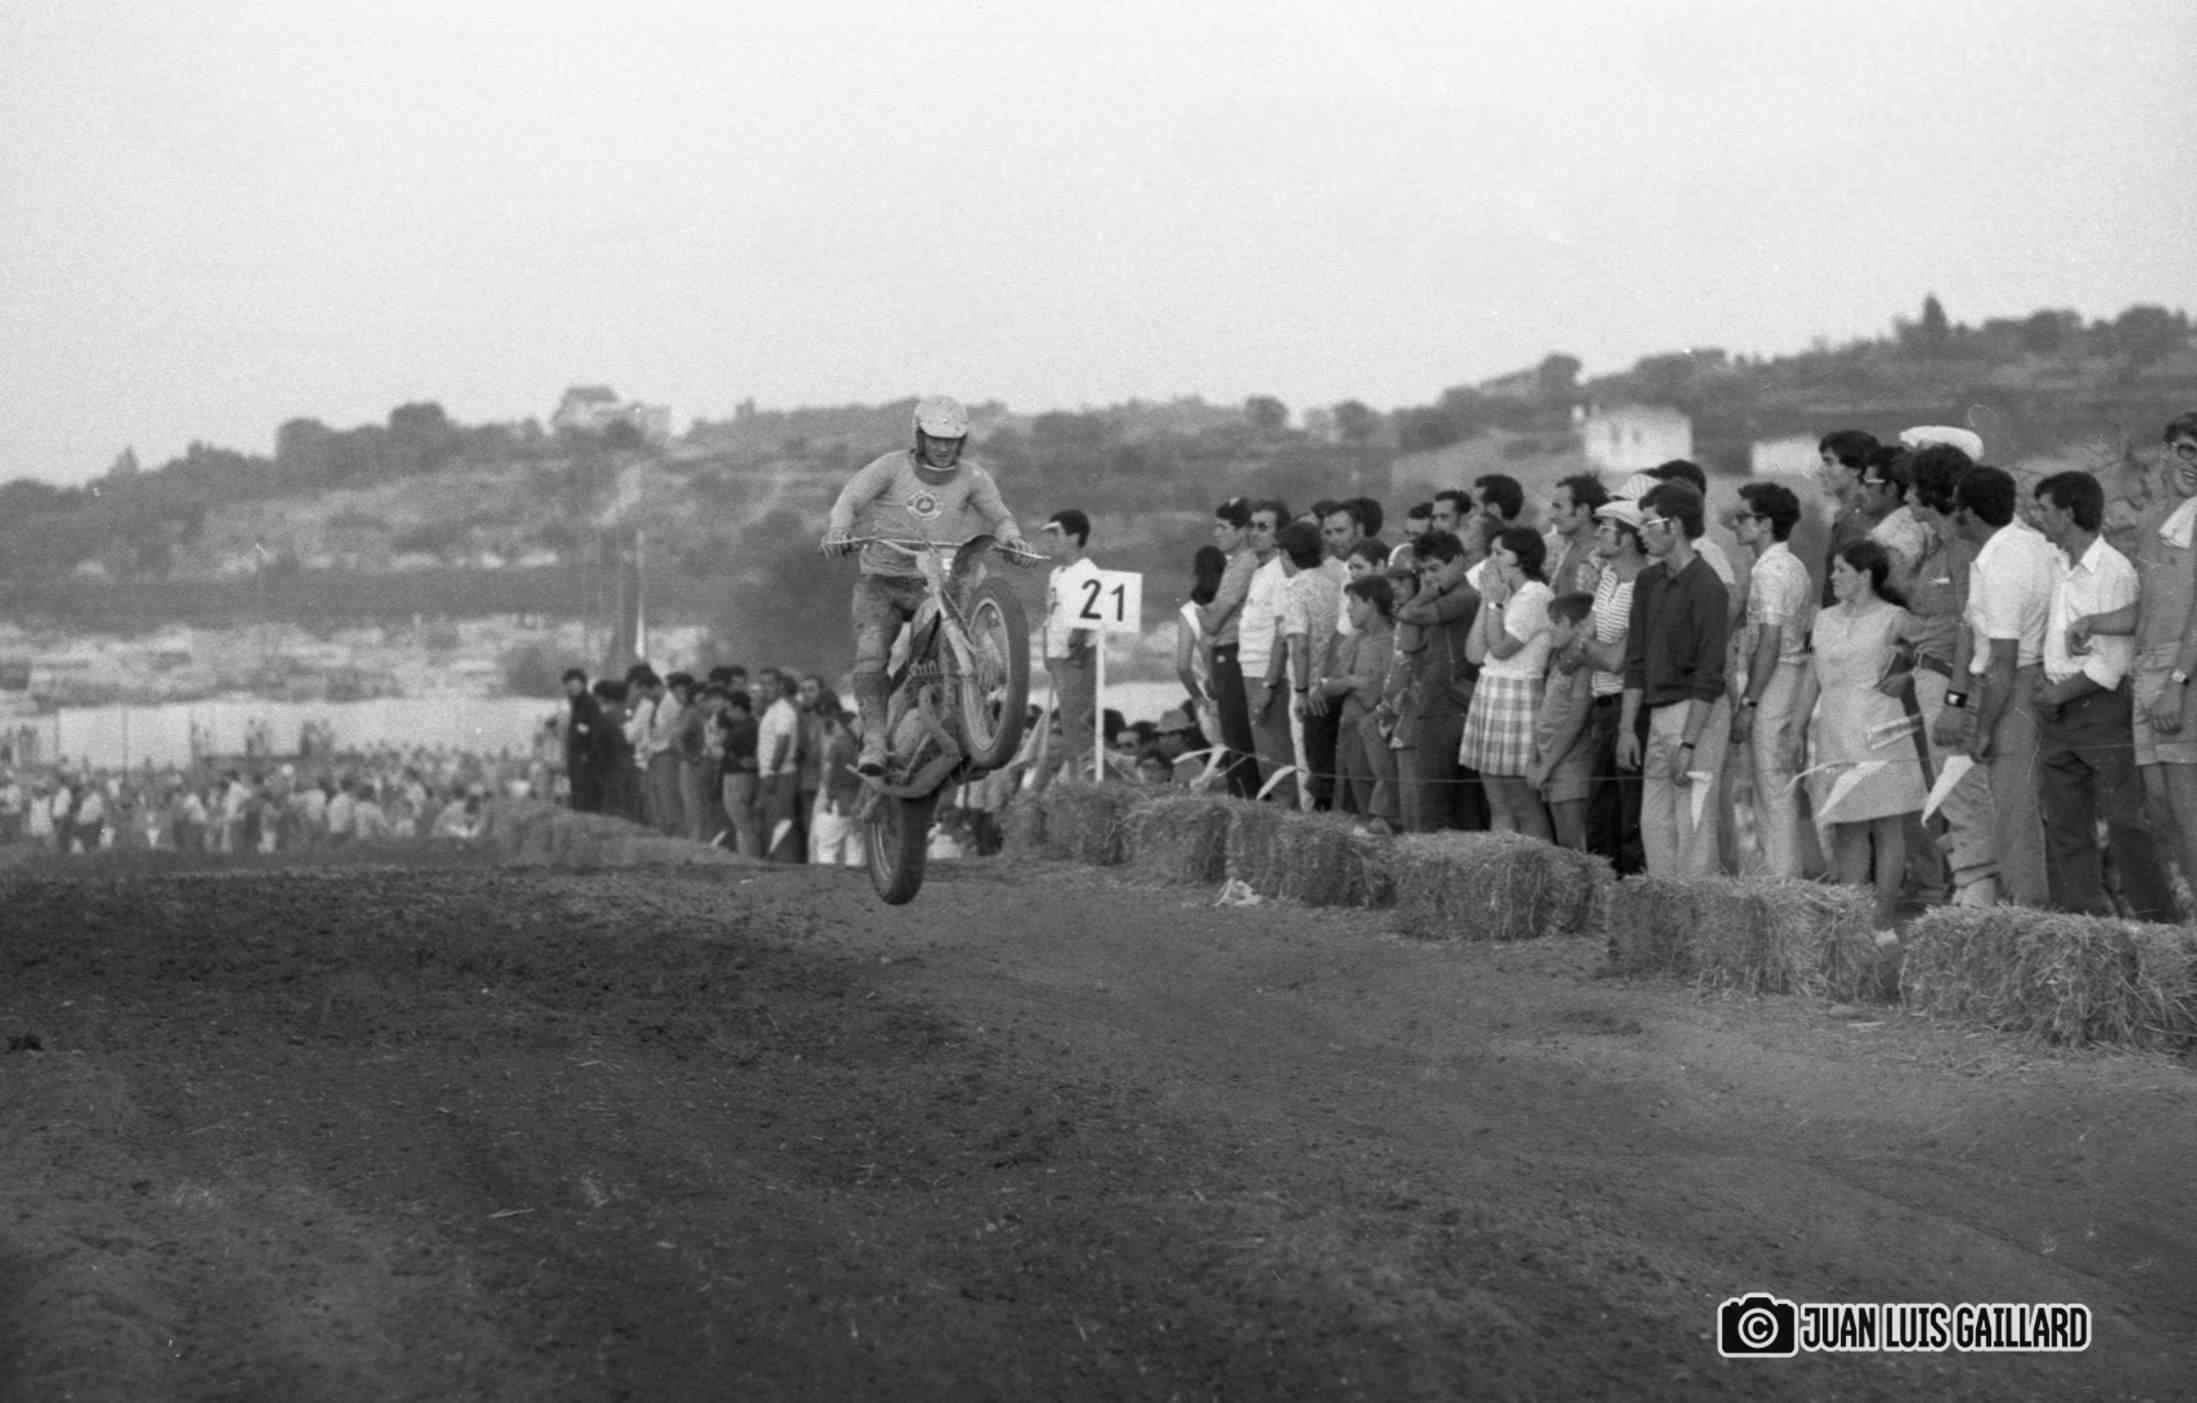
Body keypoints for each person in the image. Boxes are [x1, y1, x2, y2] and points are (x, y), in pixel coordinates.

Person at [820, 396, 1032, 775]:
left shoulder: (974, 477)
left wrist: (1013, 539)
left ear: (961, 441)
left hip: (933, 581)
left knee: (973, 638)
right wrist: (839, 530)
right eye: (935, 439)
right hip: (882, 581)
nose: (943, 448)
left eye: (951, 441)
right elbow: (849, 500)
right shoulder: (889, 467)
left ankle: (977, 720)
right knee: (871, 653)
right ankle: (874, 741)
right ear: (919, 435)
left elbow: (1000, 517)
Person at [2030, 471, 2174, 920]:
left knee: (2126, 821)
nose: (2037, 517)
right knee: (2065, 825)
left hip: (2098, 709)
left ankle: (2158, 923)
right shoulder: (2056, 565)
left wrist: (2057, 693)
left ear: (2068, 512)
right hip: (2058, 707)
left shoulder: (2114, 571)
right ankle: (2085, 923)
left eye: (2044, 509)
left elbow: (2113, 662)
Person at [2080, 411, 2197, 904]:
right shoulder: (2151, 522)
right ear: (2168, 451)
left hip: (2182, 673)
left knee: (2188, 809)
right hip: (2147, 669)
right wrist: (2091, 623)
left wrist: (2177, 682)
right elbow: (2148, 607)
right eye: (2188, 450)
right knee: (2161, 808)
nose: (2194, 463)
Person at [1793, 541, 1930, 932]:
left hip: (1880, 727)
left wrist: (1909, 675)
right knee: (1847, 825)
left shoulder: (1894, 618)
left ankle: (1883, 919)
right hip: (1835, 728)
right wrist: (1798, 728)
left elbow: (1936, 648)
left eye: (1841, 570)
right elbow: (1811, 677)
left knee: (1886, 824)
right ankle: (1854, 921)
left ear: (1865, 575)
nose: (1833, 577)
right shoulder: (1824, 619)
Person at [1941, 465, 2054, 908]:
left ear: (1969, 513)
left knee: (2014, 811)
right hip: (2027, 680)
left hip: (2012, 689)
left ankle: (2028, 910)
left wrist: (1984, 727)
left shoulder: (2000, 564)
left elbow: (2003, 661)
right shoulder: (2030, 544)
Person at [1620, 481, 1731, 878]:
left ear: (1676, 525)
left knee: (1694, 827)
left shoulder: (1708, 586)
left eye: (1650, 523)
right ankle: (1664, 905)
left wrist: (1689, 742)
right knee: (1655, 825)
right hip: (1657, 711)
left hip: (1696, 712)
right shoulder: (1648, 582)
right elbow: (1635, 657)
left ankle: (1697, 908)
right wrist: (1627, 728)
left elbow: (1709, 671)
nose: (1641, 533)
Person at [1729, 481, 1813, 877]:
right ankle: (1782, 877)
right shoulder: (1791, 565)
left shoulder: (1770, 572)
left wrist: (1749, 701)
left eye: (1743, 517)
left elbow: (1770, 641)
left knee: (1772, 786)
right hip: (1788, 675)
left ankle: (1782, 883)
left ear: (1765, 523)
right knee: (1775, 786)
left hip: (1775, 679)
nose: (1735, 523)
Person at [1460, 527, 1555, 839]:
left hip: (1518, 694)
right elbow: (1475, 654)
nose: (1492, 560)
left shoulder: (1535, 594)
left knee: (1522, 800)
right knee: (1497, 801)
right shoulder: (1504, 595)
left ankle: (1536, 861)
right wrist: (1487, 601)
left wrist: (1494, 604)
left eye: (1499, 553)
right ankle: (1500, 861)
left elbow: (1502, 648)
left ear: (1520, 558)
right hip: (1490, 691)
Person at [1581, 498, 1650, 874]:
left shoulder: (1644, 585)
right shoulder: (1608, 577)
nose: (1598, 535)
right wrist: (1592, 647)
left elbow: (1616, 660)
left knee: (1629, 813)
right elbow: (1583, 641)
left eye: (1606, 529)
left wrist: (1588, 646)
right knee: (1601, 812)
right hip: (1603, 703)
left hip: (1630, 707)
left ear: (1626, 538)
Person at [1197, 497, 1264, 798]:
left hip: (1232, 650)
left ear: (1241, 530)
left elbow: (1213, 622)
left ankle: (1244, 797)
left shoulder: (1243, 564)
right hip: (1226, 650)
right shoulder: (1235, 563)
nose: (1216, 533)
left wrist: (1201, 611)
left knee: (1237, 735)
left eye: (1223, 527)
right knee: (1234, 735)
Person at [1530, 593, 1599, 852]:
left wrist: (1547, 765)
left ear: (1580, 626)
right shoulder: (1556, 659)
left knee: (1575, 845)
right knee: (1563, 845)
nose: (1550, 628)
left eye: (1557, 622)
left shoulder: (1584, 666)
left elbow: (1575, 720)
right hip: (1551, 760)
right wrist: (1534, 758)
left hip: (1570, 763)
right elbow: (1542, 711)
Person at [1039, 509, 1102, 785]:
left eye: (1057, 533)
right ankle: (1075, 780)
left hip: (1075, 657)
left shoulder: (1088, 572)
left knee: (1078, 724)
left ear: (1075, 537)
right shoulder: (1057, 573)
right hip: (1057, 656)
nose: (1051, 540)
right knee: (1067, 723)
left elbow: (1088, 617)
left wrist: (1077, 641)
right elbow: (1051, 612)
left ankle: (1085, 782)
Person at [1175, 544, 1228, 731]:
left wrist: (1197, 697)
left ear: (1196, 574)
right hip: (1244, 685)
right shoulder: (1233, 602)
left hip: (1214, 693)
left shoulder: (1189, 612)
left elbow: (1183, 667)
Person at [807, 702, 866, 866]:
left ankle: (826, 879)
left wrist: (827, 798)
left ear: (843, 726)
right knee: (855, 850)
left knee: (826, 848)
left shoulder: (838, 745)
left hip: (838, 802)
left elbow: (828, 773)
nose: (834, 728)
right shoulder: (863, 747)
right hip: (858, 803)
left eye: (837, 724)